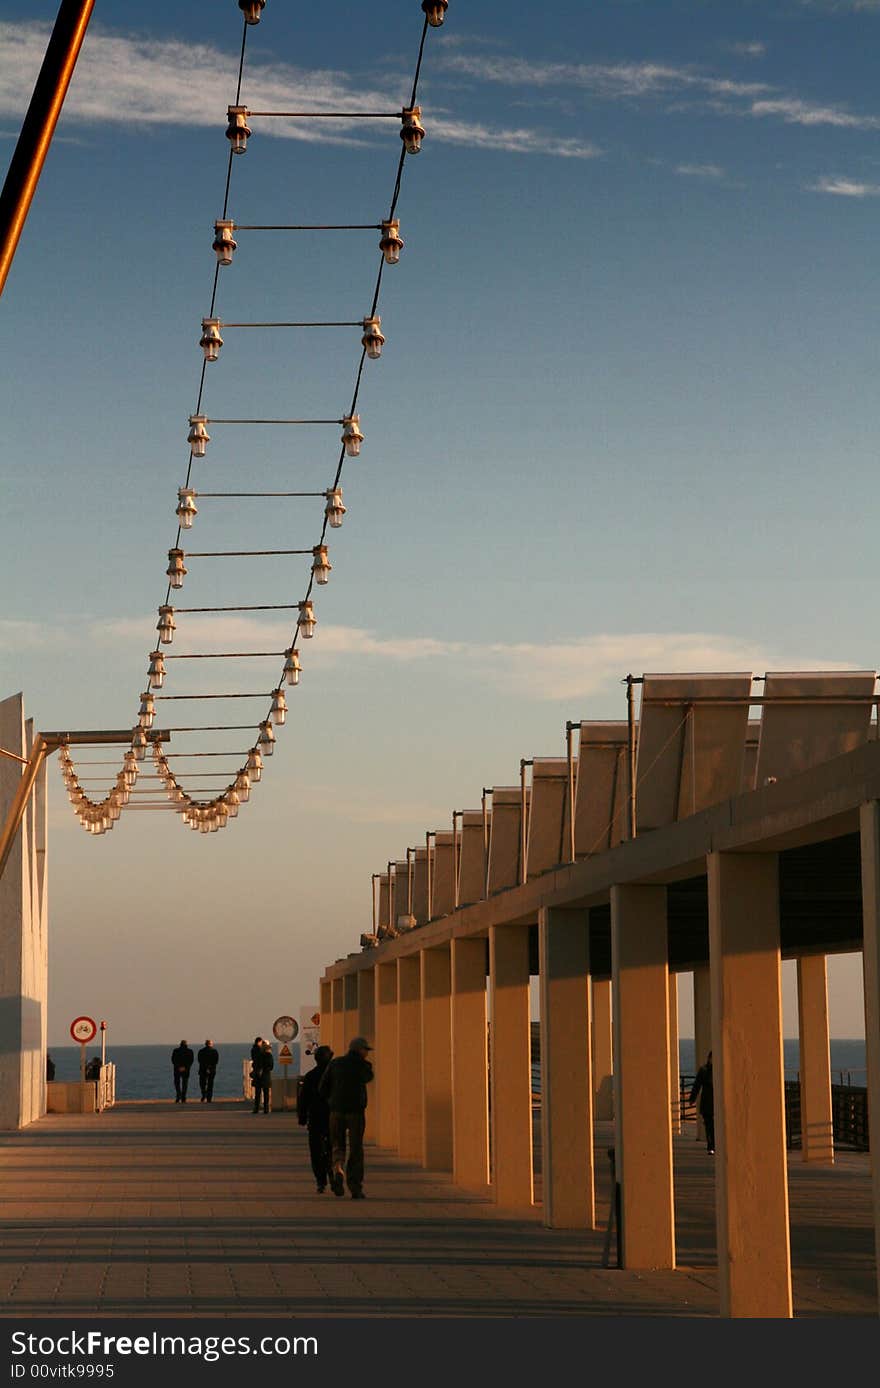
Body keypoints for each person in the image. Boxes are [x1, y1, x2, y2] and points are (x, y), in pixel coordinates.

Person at [318, 1036, 373, 1199]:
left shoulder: (335, 1063)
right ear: (359, 1050)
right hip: (355, 1112)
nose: (367, 1054)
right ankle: (355, 1186)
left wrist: (331, 1100)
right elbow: (368, 1077)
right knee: (356, 1148)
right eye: (366, 1050)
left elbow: (322, 1087)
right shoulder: (363, 1065)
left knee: (337, 1145)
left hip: (336, 1112)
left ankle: (338, 1170)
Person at [297, 1045, 333, 1193]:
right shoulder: (335, 1075)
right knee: (334, 1147)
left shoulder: (310, 1076)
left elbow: (303, 1098)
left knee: (316, 1149)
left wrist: (302, 1117)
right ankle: (334, 1171)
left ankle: (320, 1180)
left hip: (316, 1117)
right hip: (332, 1116)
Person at [689, 1050, 715, 1154]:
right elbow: (697, 1085)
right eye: (712, 1058)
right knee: (709, 1126)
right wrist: (692, 1098)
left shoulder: (720, 1070)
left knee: (714, 1126)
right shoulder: (703, 1071)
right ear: (709, 1058)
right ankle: (711, 1146)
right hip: (707, 1104)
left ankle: (714, 1145)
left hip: (717, 1105)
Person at [252, 1038, 273, 1114]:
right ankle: (266, 1109)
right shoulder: (269, 1056)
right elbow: (271, 1066)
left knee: (258, 1093)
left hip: (258, 1076)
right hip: (266, 1076)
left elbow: (254, 1064)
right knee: (266, 1093)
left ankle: (256, 1108)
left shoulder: (258, 1055)